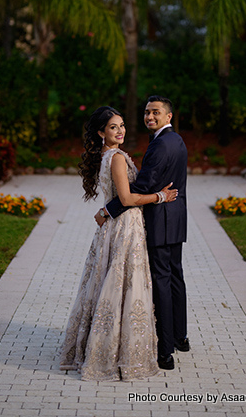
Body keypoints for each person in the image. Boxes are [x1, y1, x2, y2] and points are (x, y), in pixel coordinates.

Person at [59, 106, 178, 381]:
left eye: (122, 125)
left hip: (115, 226)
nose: (120, 130)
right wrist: (160, 196)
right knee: (123, 286)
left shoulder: (108, 155)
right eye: (113, 127)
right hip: (125, 227)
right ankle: (113, 353)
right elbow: (126, 199)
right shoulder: (116, 158)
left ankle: (103, 345)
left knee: (110, 285)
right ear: (102, 132)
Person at [97, 96, 189, 371]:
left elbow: (142, 186)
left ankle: (165, 352)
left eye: (156, 112)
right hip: (176, 219)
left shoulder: (160, 145)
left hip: (160, 219)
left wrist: (107, 211)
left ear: (168, 116)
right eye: (147, 112)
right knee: (175, 277)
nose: (150, 117)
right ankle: (180, 337)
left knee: (162, 280)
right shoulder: (178, 141)